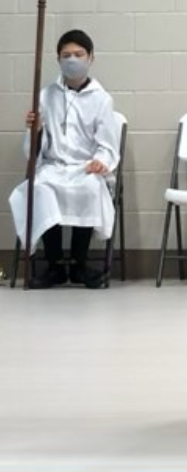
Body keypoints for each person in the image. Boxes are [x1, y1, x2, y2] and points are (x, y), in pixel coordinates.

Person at [9, 29, 119, 290]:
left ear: (91, 57)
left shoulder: (102, 99)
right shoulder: (45, 95)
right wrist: (35, 130)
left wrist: (100, 161)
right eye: (66, 55)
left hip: (84, 167)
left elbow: (107, 143)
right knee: (41, 188)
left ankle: (79, 265)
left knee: (90, 188)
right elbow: (35, 149)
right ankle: (55, 265)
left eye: (78, 54)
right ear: (58, 59)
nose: (72, 60)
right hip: (54, 165)